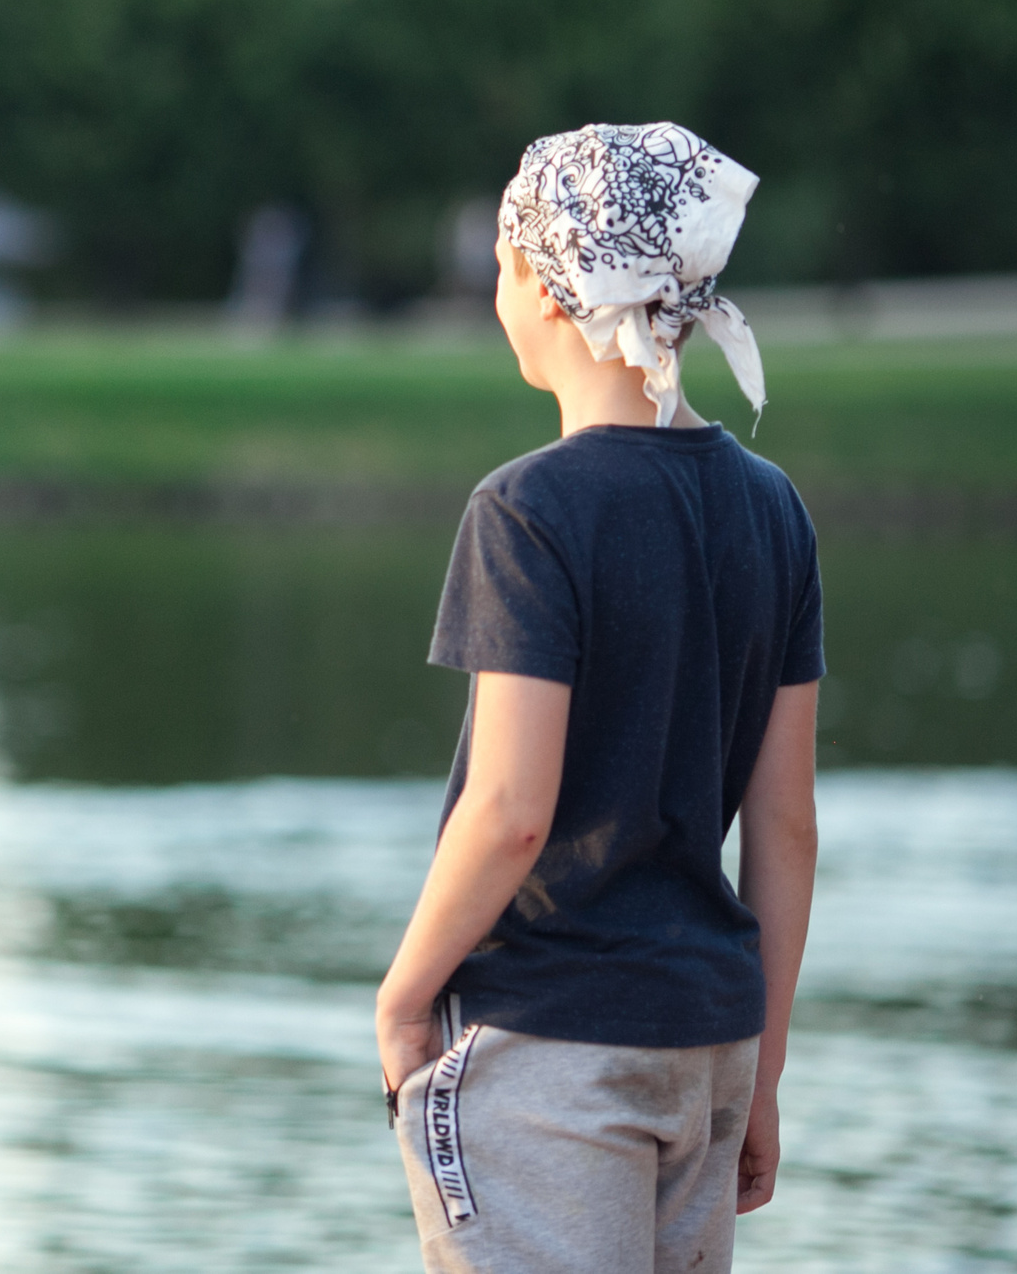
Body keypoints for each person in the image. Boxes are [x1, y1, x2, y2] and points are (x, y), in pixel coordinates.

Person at [375, 123, 822, 1274]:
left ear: (541, 279)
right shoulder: (773, 509)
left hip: (551, 1044)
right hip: (710, 1042)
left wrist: (404, 994)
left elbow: (510, 809)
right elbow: (783, 828)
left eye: (497, 264)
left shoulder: (529, 510)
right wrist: (761, 1074)